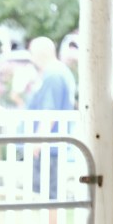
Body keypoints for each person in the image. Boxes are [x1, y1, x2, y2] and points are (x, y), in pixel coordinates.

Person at [26, 36, 76, 200]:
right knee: (49, 193)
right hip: (52, 144)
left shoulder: (53, 74)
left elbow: (50, 112)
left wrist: (38, 140)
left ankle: (51, 220)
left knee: (48, 195)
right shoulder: (59, 72)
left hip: (49, 146)